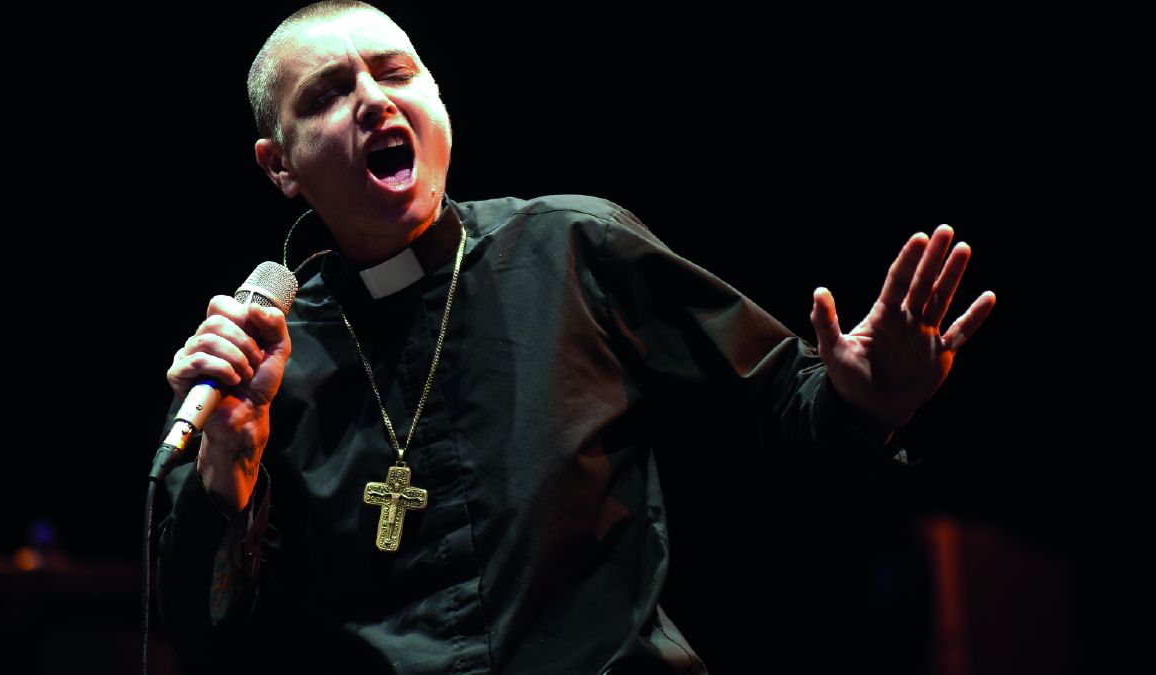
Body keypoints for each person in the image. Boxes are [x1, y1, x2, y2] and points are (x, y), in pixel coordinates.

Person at [156, 2, 996, 673]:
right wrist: (226, 472)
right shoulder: (260, 362)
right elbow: (206, 638)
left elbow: (785, 409)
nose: (375, 99)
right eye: (329, 94)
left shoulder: (571, 246)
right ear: (279, 165)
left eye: (396, 73)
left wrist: (865, 399)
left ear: (439, 103)